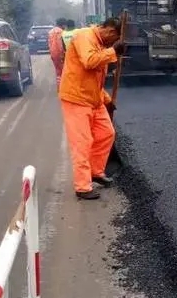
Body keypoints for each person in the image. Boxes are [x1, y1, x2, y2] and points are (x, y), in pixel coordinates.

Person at [58, 17, 125, 200]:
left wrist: (106, 99)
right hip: (76, 99)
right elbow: (89, 61)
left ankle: (96, 172)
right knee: (82, 142)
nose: (113, 43)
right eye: (114, 39)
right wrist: (113, 51)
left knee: (106, 133)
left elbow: (95, 80)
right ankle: (82, 187)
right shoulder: (84, 36)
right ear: (110, 31)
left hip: (94, 99)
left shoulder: (102, 44)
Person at [48, 18, 68, 87]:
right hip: (60, 54)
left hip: (53, 54)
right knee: (64, 71)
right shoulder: (61, 32)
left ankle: (60, 87)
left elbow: (49, 44)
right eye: (65, 25)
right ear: (62, 25)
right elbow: (60, 45)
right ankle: (65, 87)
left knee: (58, 72)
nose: (65, 27)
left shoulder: (50, 32)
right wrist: (63, 54)